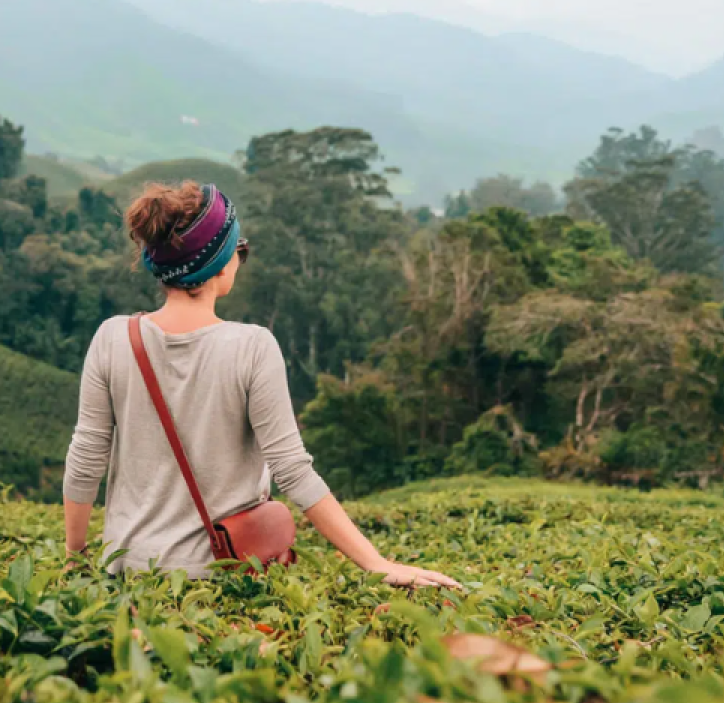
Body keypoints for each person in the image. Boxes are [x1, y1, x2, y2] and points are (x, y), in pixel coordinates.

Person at [62, 181, 460, 589]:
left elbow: (85, 458)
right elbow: (293, 471)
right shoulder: (252, 347)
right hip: (221, 580)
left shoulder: (112, 338)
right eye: (239, 247)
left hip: (128, 576)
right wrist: (376, 563)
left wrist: (75, 559)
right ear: (218, 263)